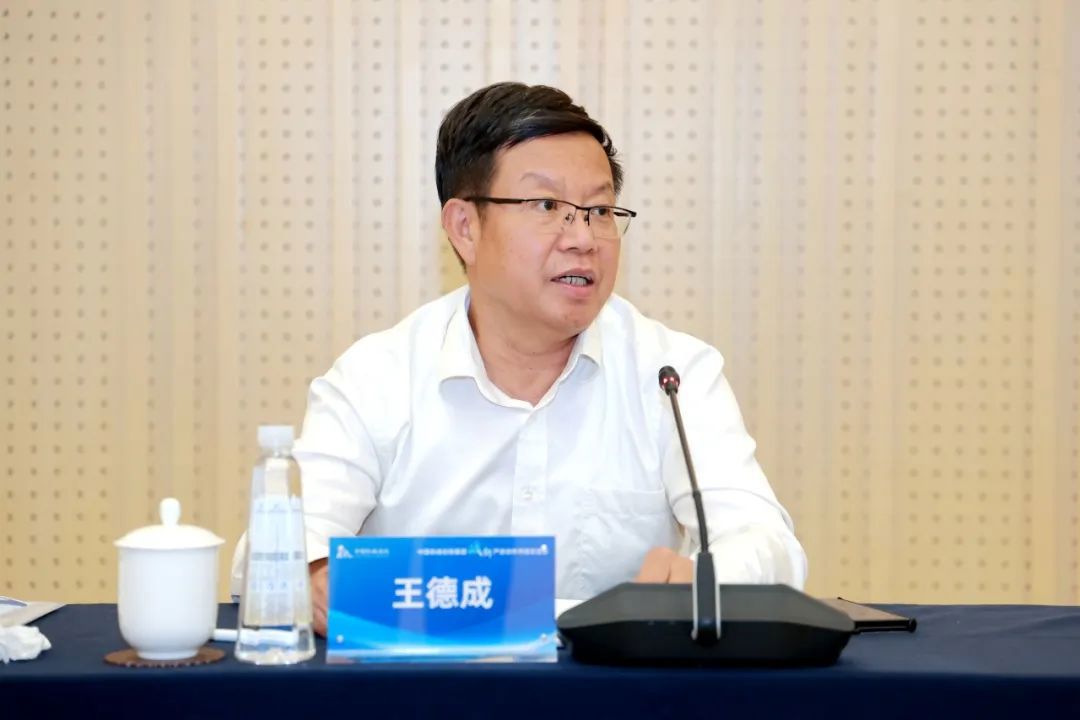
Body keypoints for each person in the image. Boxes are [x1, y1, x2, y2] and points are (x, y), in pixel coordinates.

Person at [232, 82, 807, 636]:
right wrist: (313, 578)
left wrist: (707, 581)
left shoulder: (672, 376)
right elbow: (273, 555)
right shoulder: (376, 379)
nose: (583, 237)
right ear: (465, 227)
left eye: (600, 210)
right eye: (547, 205)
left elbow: (769, 545)